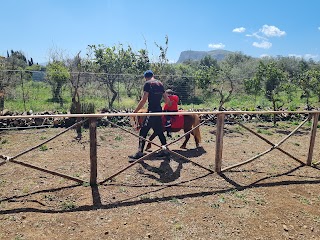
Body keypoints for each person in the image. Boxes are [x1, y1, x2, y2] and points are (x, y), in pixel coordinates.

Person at [128, 70, 171, 162]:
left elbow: (144, 100)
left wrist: (135, 111)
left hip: (151, 111)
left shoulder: (148, 84)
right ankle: (165, 150)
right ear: (153, 75)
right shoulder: (160, 83)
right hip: (159, 111)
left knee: (143, 131)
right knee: (159, 131)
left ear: (145, 77)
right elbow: (167, 100)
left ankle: (139, 153)